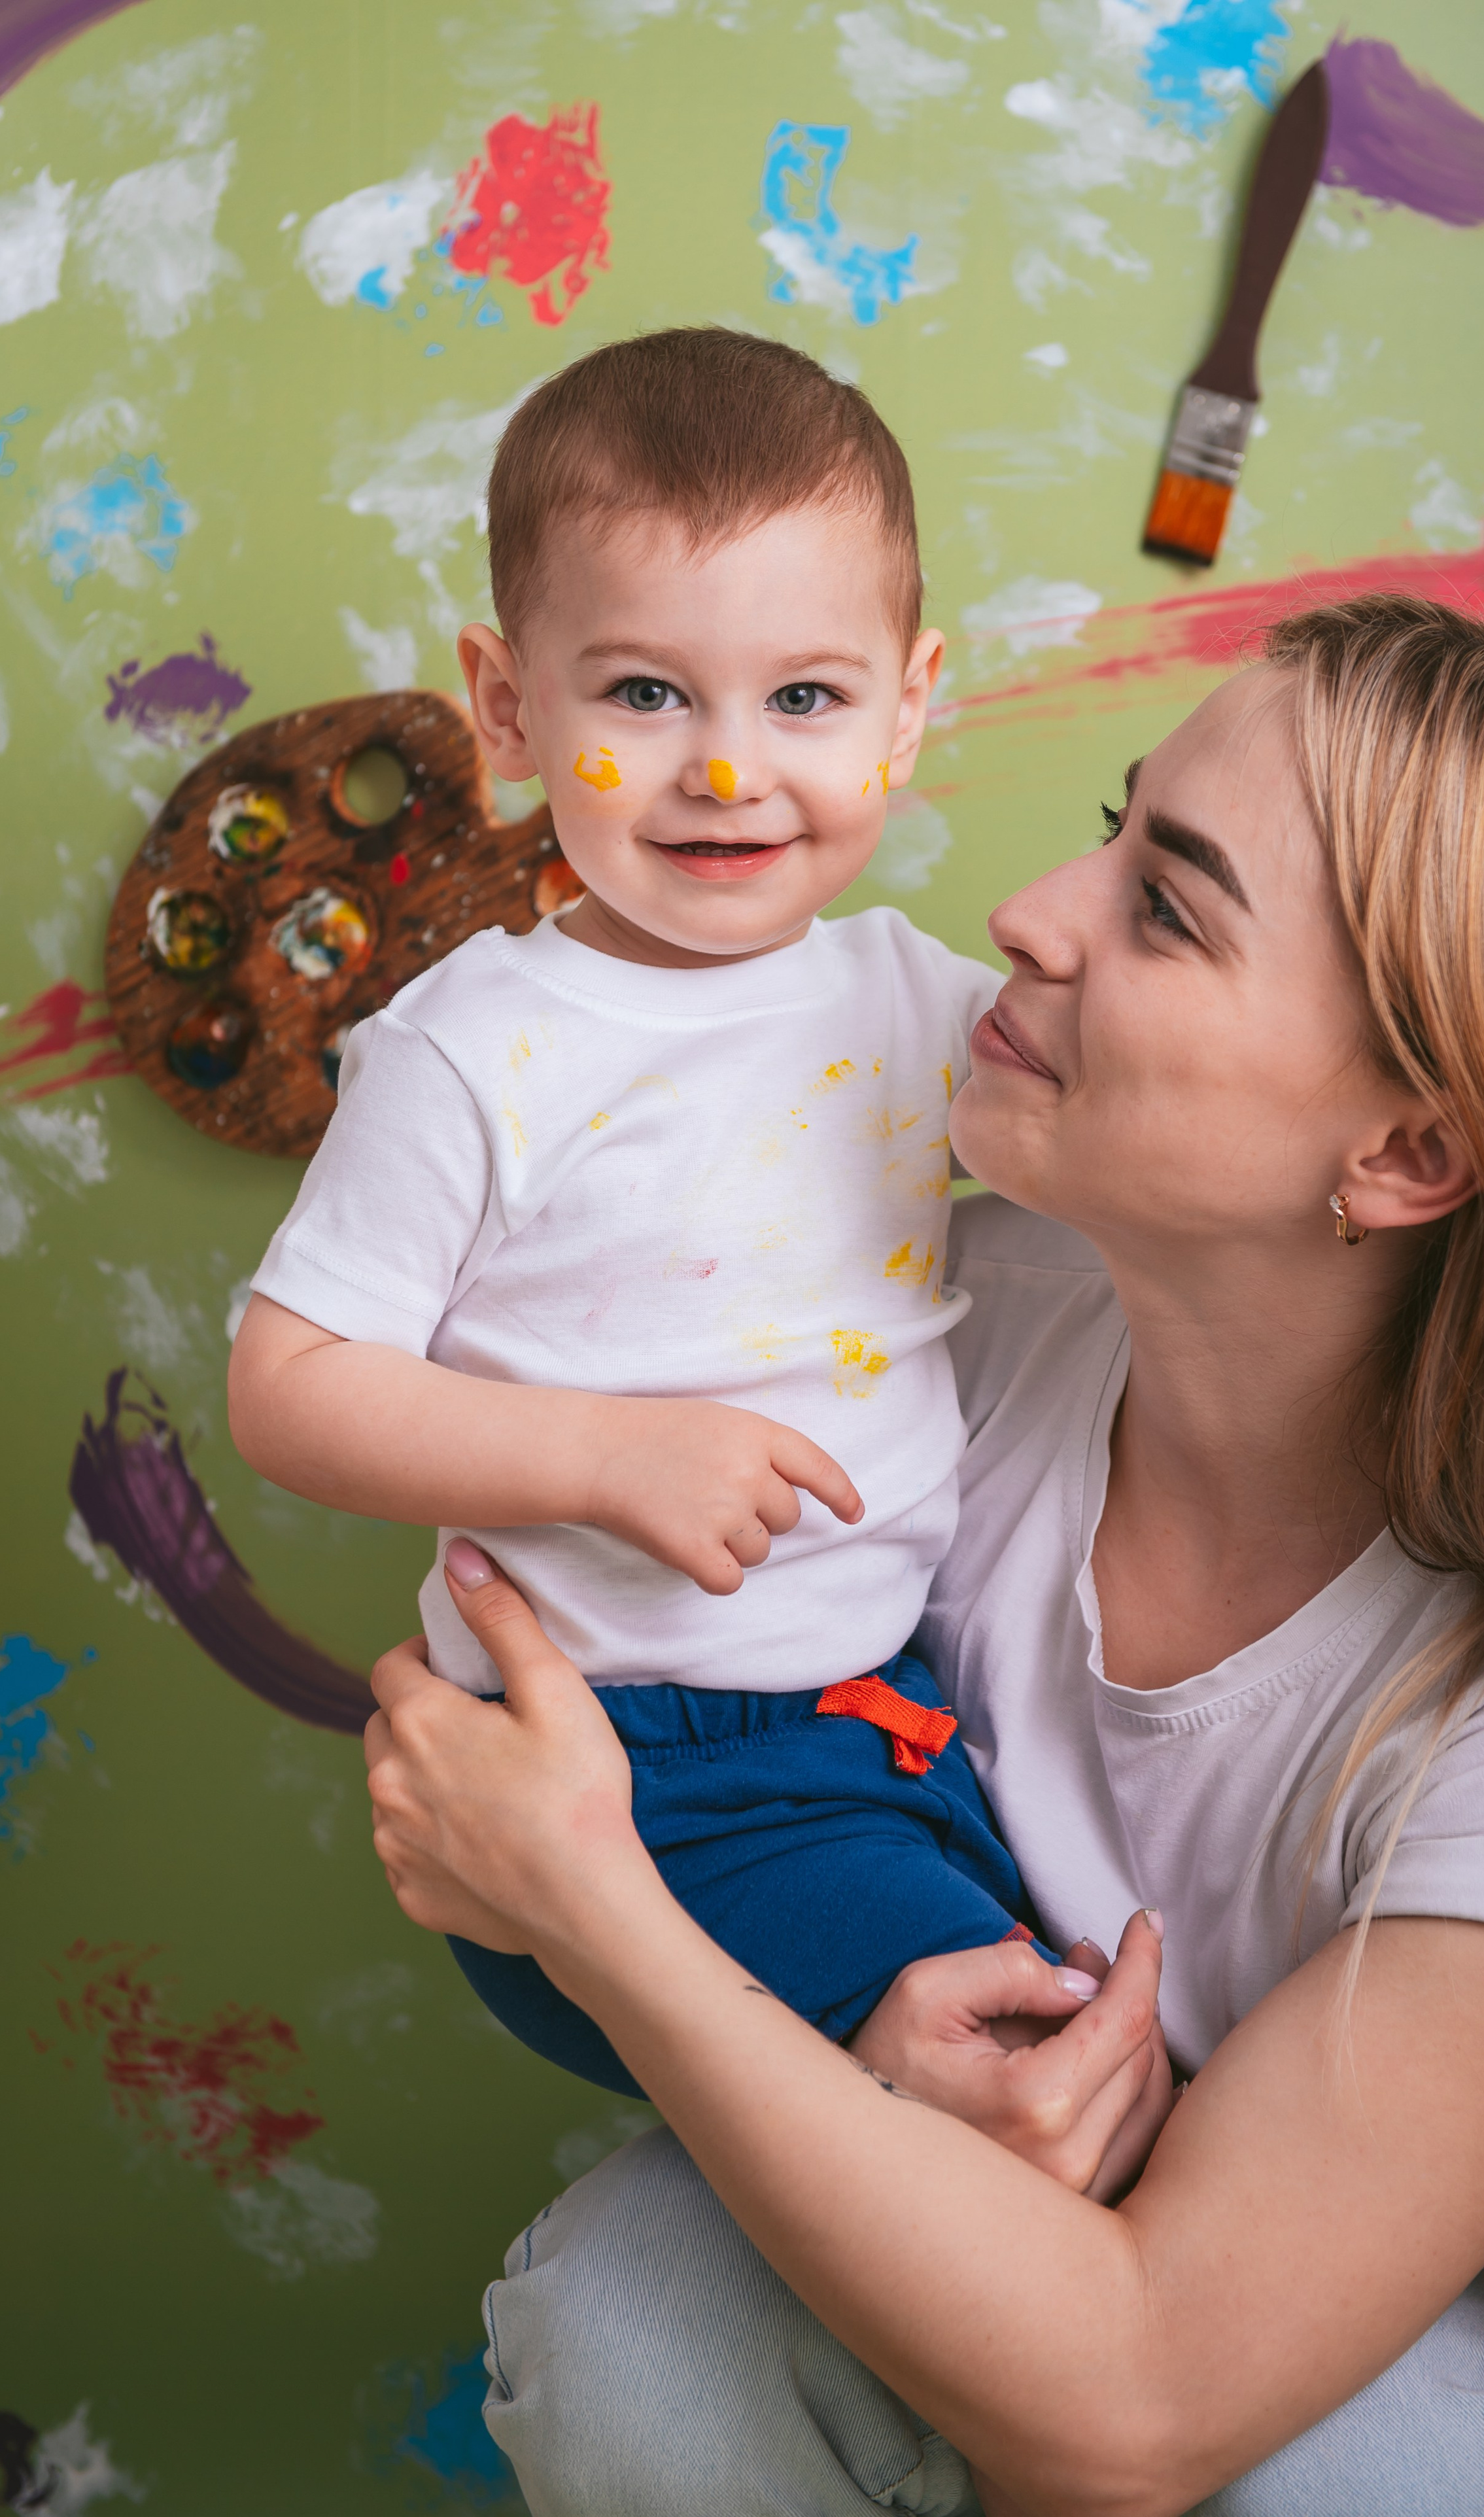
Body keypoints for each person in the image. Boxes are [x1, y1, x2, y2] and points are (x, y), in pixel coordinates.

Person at [362, 595, 1484, 2514]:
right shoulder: (931, 1331)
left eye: (1170, 908)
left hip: (1355, 2376)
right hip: (999, 2217)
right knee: (630, 2303)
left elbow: (1141, 2409)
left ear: (1402, 1155)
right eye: (1116, 832)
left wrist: (592, 1906)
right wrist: (855, 2027)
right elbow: (523, 1718)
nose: (1033, 911)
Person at [228, 326, 1078, 2098]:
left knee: (1091, 2056)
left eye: (806, 699)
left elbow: (1133, 1131)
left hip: (882, 1724)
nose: (727, 768)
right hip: (624, 1767)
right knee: (1024, 2074)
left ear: (909, 703)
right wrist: (607, 1457)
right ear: (507, 705)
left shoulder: (918, 1002)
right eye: (644, 695)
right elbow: (288, 1389)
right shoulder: (472, 1051)